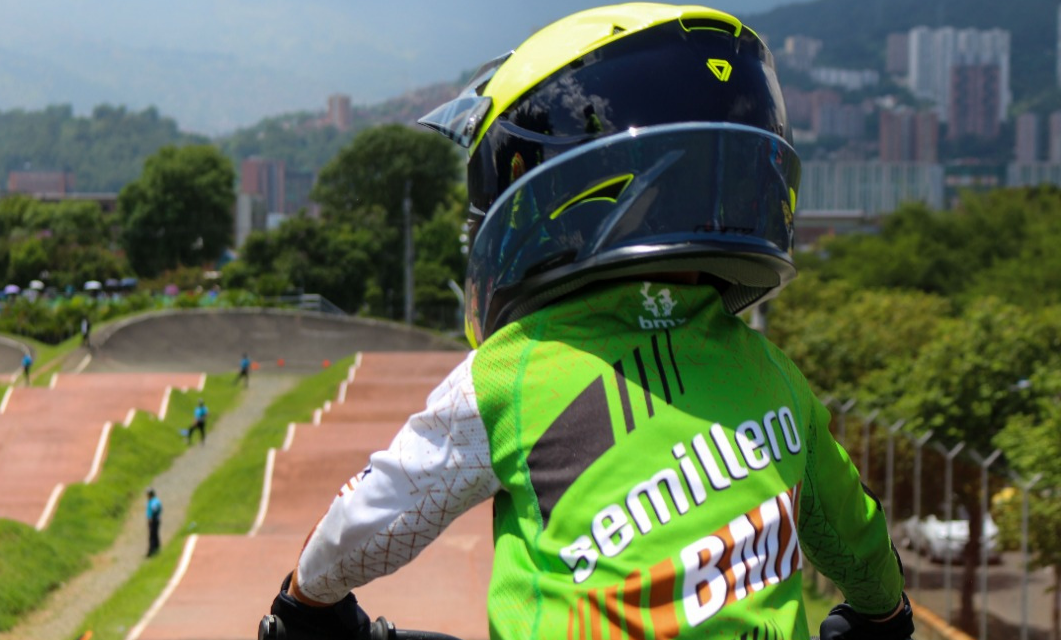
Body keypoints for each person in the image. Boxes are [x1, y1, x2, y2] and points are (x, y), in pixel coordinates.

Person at [267, 6, 913, 640]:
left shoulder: (516, 371)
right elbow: (856, 538)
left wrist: (305, 602)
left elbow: (378, 513)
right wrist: (883, 615)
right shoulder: (774, 376)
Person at [146, 488, 162, 557]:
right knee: (155, 535)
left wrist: (151, 518)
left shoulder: (153, 501)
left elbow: (154, 509)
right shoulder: (154, 501)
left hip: (153, 520)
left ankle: (152, 550)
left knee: (152, 536)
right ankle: (156, 548)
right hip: (155, 520)